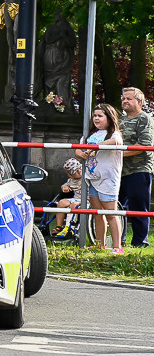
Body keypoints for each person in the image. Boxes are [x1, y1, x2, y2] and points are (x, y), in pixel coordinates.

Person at [77, 104, 125, 253]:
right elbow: (78, 148)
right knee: (97, 213)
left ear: (109, 118)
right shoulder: (90, 135)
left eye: (100, 116)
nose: (96, 118)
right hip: (92, 178)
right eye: (95, 116)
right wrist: (81, 153)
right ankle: (100, 244)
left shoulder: (113, 134)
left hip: (108, 179)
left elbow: (116, 142)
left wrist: (95, 147)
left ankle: (117, 246)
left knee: (111, 213)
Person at [118, 87, 153, 249]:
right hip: (119, 171)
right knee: (117, 207)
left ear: (139, 101)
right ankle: (119, 240)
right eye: (123, 98)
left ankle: (140, 243)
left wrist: (116, 154)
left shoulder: (145, 119)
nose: (125, 101)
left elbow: (143, 146)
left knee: (139, 208)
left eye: (129, 98)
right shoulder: (119, 120)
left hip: (139, 170)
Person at [50, 159, 83, 239]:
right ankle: (59, 227)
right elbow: (65, 185)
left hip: (87, 200)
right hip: (76, 198)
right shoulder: (71, 180)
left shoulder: (87, 177)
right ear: (70, 175)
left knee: (74, 205)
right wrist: (64, 187)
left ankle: (69, 227)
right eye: (76, 171)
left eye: (79, 168)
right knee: (61, 203)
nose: (79, 171)